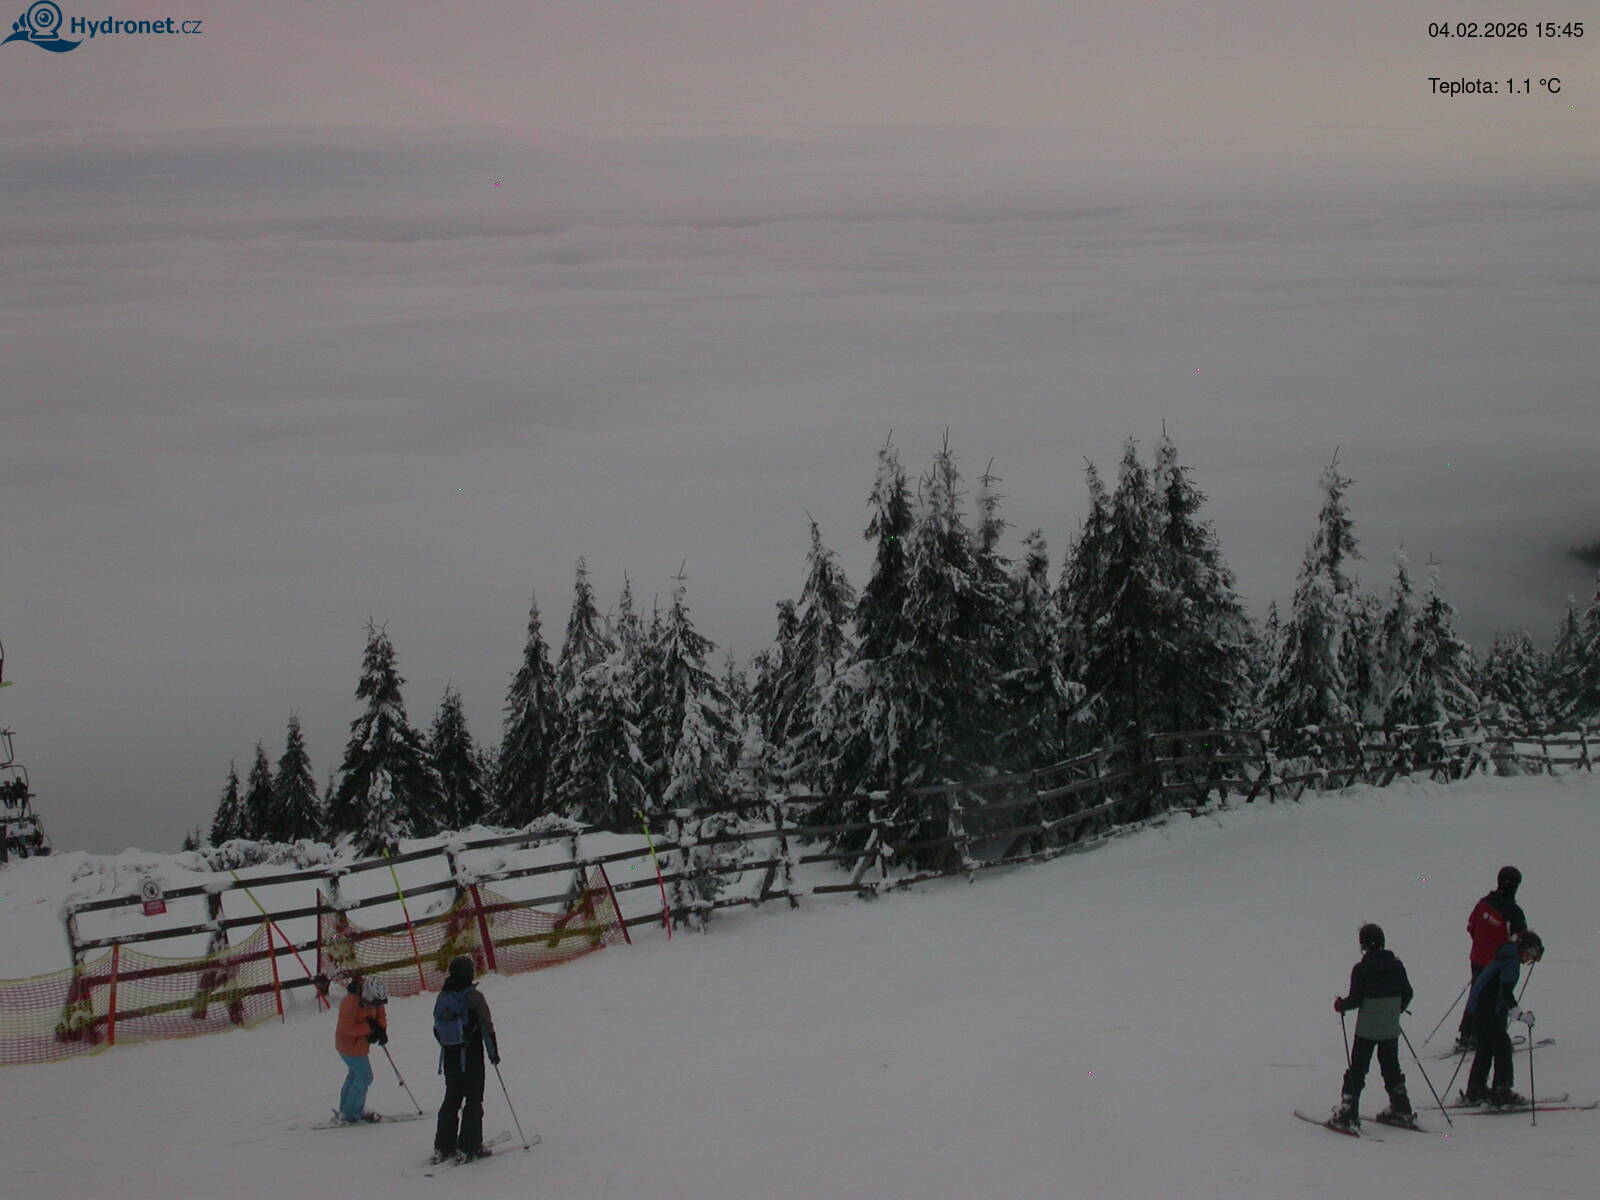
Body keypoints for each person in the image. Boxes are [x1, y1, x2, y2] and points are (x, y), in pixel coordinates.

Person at [1330, 923, 1416, 1131]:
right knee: (1391, 1067)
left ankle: (1348, 1112)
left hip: (1367, 1030)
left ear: (1363, 945)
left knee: (1358, 1069)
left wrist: (1340, 1005)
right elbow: (1408, 993)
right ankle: (1401, 1108)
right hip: (1390, 1027)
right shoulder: (1397, 966)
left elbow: (1356, 999)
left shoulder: (1361, 969)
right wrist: (1395, 1009)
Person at [1461, 929, 1544, 1109]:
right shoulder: (1510, 961)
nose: (1528, 959)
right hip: (1487, 1009)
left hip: (1479, 1008)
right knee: (1502, 1046)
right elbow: (1505, 992)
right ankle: (1502, 1092)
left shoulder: (1504, 955)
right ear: (1523, 947)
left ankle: (1476, 1090)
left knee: (1486, 1048)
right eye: (1530, 953)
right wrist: (1519, 1014)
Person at [432, 955, 500, 1164]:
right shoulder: (474, 997)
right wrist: (493, 1053)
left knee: (452, 1097)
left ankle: (444, 1145)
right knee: (473, 1098)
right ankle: (470, 1146)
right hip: (471, 1056)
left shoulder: (443, 996)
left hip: (450, 1055)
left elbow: (437, 1028)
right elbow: (486, 1027)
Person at [1454, 865, 1527, 1053]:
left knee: (1477, 993)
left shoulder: (1483, 903)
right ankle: (1495, 1037)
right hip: (1499, 962)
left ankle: (1468, 1034)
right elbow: (1521, 940)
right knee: (1499, 997)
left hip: (1478, 958)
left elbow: (1471, 927)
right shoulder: (1514, 912)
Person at [334, 975, 389, 1123]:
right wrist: (370, 1028)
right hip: (348, 1045)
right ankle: (352, 1113)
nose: (376, 1005)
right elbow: (346, 1028)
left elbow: (381, 1015)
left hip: (361, 1044)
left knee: (355, 1074)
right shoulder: (350, 1002)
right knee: (364, 1076)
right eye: (374, 1002)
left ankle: (346, 1110)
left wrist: (380, 1029)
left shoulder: (375, 998)